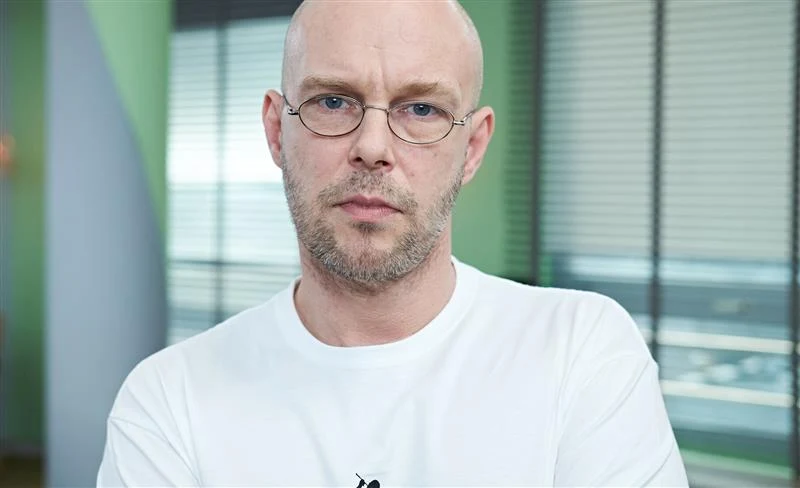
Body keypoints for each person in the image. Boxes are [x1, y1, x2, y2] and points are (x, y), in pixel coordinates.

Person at [97, 0, 688, 486]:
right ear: (277, 130)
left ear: (472, 148)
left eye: (422, 109)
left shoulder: (581, 354)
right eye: (333, 102)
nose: (373, 147)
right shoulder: (169, 401)